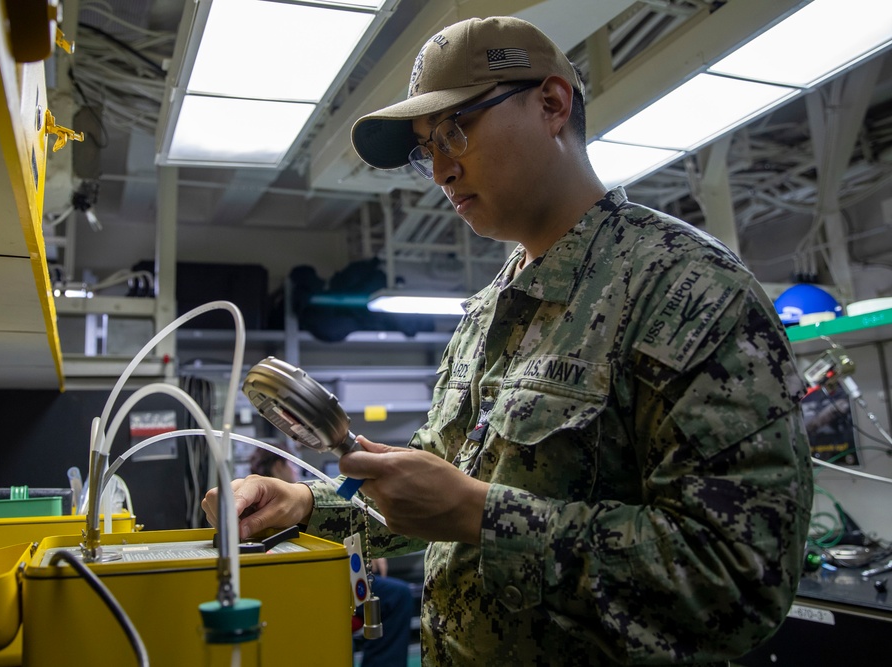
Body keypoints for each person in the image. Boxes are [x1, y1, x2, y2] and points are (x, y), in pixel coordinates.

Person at [205, 15, 812, 666]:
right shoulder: (490, 310)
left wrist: (481, 515)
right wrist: (302, 503)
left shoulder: (687, 289)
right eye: (425, 147)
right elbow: (433, 490)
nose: (439, 168)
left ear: (552, 104)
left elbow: (742, 576)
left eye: (455, 130)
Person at [248, 444, 414, 667]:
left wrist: (367, 539)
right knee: (398, 596)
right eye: (292, 463)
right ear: (279, 465)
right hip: (312, 583)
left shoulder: (265, 498)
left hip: (317, 578)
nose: (295, 471)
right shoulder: (275, 503)